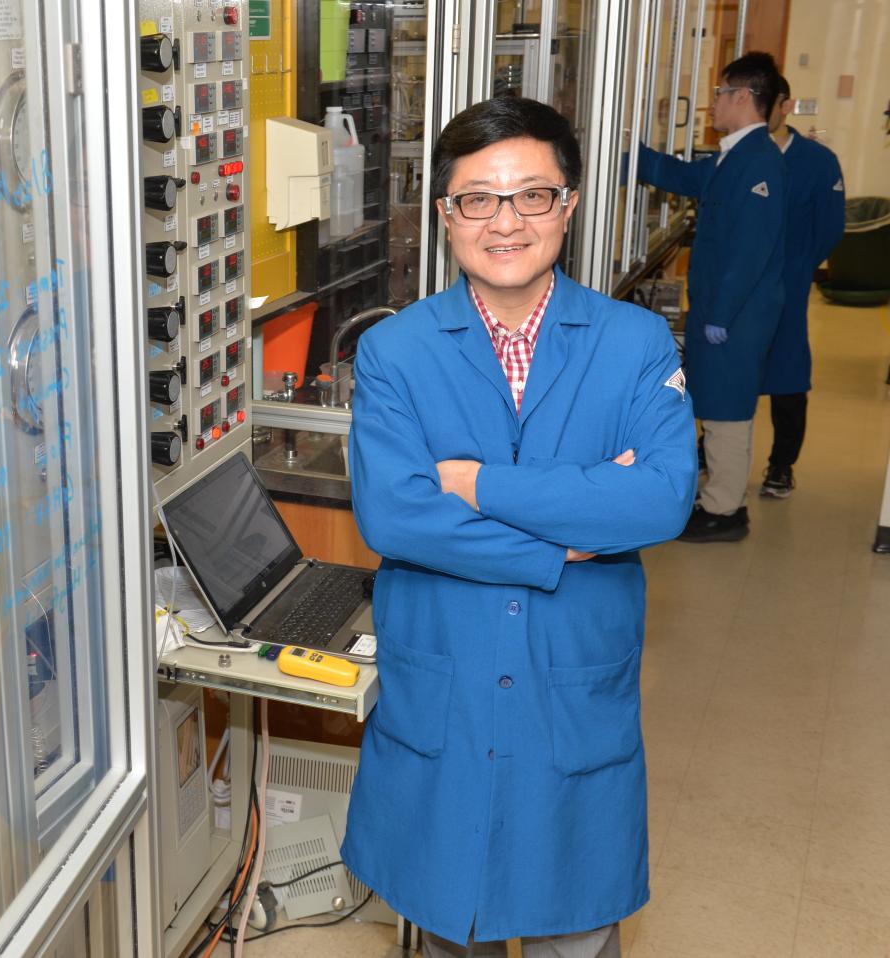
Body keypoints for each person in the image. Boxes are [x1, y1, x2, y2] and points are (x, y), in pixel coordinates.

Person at [341, 96, 697, 958]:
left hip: (568, 683)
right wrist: (563, 539)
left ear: (568, 206)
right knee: (446, 921)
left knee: (575, 924)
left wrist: (476, 483)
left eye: (531, 196)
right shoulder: (396, 352)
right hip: (447, 688)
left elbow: (659, 500)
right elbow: (395, 515)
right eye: (478, 199)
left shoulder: (635, 343)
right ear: (445, 214)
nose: (505, 223)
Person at [636, 51, 788, 541]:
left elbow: (750, 251)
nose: (712, 104)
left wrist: (720, 313)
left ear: (742, 97)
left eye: (719, 94)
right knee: (718, 404)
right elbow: (685, 178)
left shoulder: (759, 162)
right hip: (722, 309)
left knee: (728, 410)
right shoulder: (735, 155)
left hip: (737, 314)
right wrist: (627, 151)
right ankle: (720, 499)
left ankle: (725, 511)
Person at [758, 73, 846, 498]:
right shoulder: (740, 155)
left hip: (788, 284)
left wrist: (797, 267)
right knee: (730, 373)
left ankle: (782, 463)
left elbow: (830, 228)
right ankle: (711, 448)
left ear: (785, 106)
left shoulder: (817, 161)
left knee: (788, 372)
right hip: (741, 285)